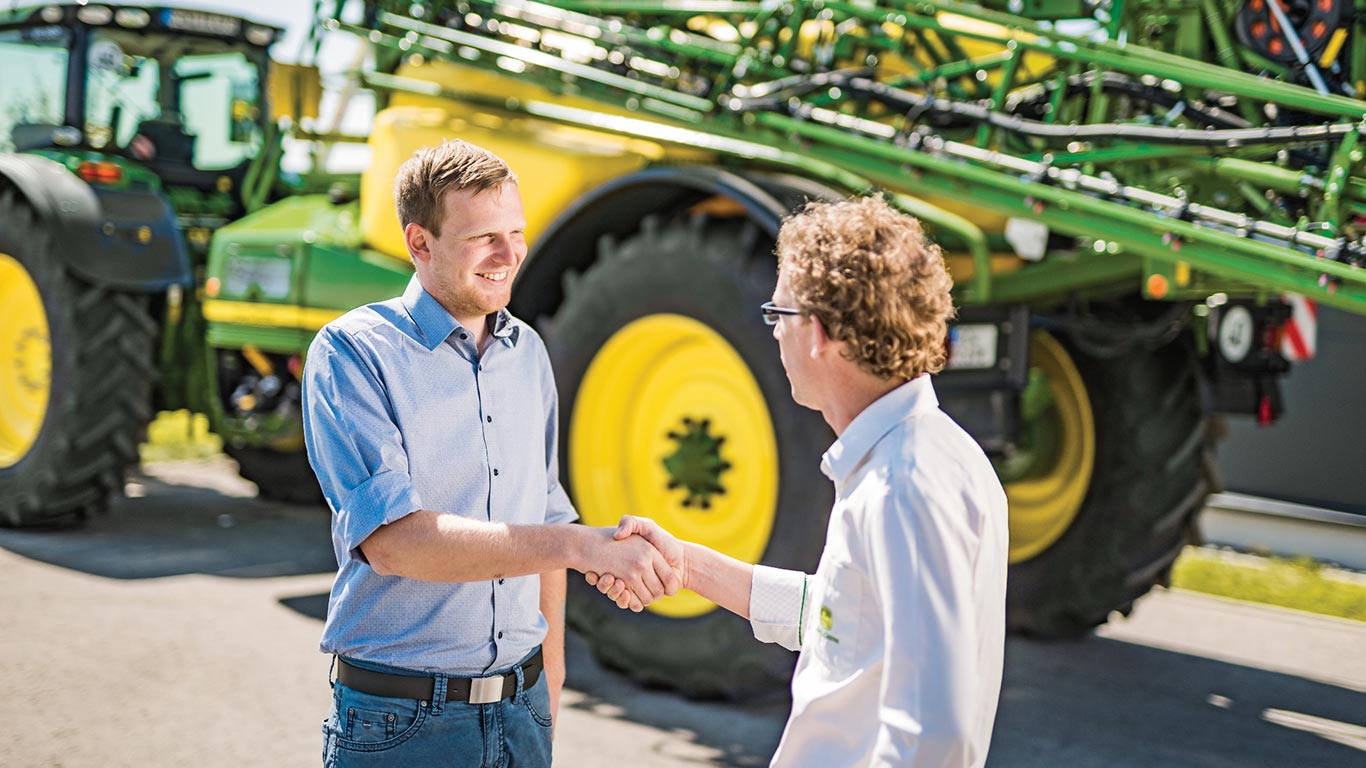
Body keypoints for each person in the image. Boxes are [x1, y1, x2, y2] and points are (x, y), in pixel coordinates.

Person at [589, 195, 1009, 767]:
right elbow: (846, 623)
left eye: (777, 315)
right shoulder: (920, 457)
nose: (774, 334)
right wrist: (688, 566)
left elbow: (936, 736)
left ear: (817, 332)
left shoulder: (900, 488)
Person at [302, 139, 677, 767]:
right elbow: (395, 543)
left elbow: (547, 512)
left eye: (517, 232)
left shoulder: (526, 351)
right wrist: (583, 546)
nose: (510, 256)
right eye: (484, 239)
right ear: (419, 243)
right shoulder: (352, 355)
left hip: (522, 706)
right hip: (403, 723)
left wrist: (550, 678)